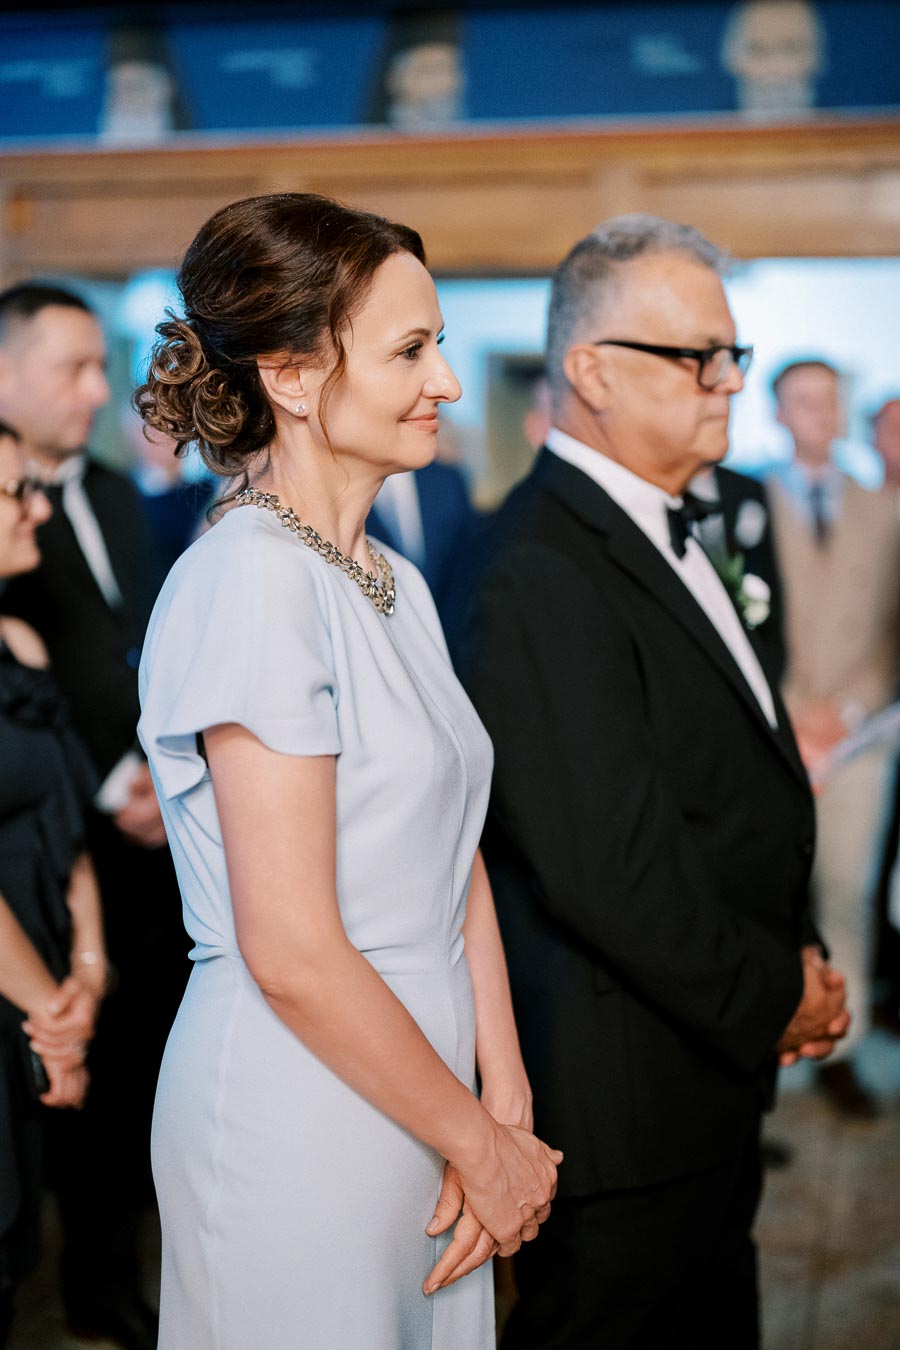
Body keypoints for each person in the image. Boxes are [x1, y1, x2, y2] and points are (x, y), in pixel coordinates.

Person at [134, 192, 561, 1350]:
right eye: (412, 350)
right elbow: (291, 950)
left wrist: (503, 1094)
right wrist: (479, 1142)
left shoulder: (392, 580)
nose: (450, 384)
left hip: (427, 1089)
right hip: (298, 1101)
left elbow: (450, 848)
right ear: (292, 376)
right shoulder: (252, 582)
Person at [452, 214, 849, 1350]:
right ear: (589, 371)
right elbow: (606, 864)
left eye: (733, 355)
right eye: (695, 357)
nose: (728, 381)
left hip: (698, 1068)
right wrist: (777, 992)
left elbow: (726, 789)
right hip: (623, 1093)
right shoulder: (537, 564)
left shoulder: (673, 522)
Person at [0, 283, 187, 1349]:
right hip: (47, 835)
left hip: (151, 839)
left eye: (95, 367)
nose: (95, 389)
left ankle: (111, 1284)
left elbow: (147, 648)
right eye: (71, 367)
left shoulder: (117, 495)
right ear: (5, 376)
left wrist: (166, 765)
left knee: (134, 1072)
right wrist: (111, 777)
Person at [764, 360, 900, 1117]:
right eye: (804, 402)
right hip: (773, 733)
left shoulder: (884, 507)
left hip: (862, 734)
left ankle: (841, 1052)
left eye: (830, 401)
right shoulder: (741, 500)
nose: (820, 414)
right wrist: (792, 712)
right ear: (779, 412)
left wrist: (846, 712)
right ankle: (774, 1040)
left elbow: (892, 630)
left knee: (848, 890)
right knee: (770, 896)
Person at [0, 418, 108, 1347]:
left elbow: (67, 827)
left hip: (41, 998)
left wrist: (90, 961)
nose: (38, 507)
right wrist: (54, 1022)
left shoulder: (24, 648)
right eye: (14, 493)